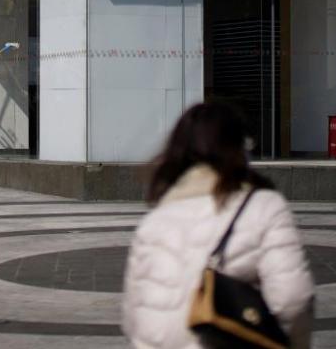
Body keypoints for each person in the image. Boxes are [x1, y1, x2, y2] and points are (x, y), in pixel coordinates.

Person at [122, 102, 314, 349]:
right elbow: (293, 299)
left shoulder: (153, 222)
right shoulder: (264, 207)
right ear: (239, 147)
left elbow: (134, 318)